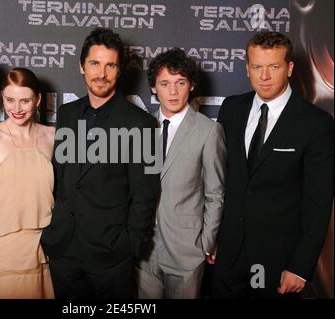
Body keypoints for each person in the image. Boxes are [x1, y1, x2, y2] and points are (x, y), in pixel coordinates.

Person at [212, 31, 334, 298]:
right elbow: (221, 180)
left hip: (278, 263)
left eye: (273, 67)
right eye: (256, 67)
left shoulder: (316, 124)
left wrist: (300, 267)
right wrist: (214, 238)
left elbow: (318, 202)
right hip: (227, 257)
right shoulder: (232, 108)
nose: (264, 76)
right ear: (247, 69)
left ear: (289, 68)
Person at [40, 27, 160, 299]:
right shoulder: (68, 114)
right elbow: (61, 176)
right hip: (63, 249)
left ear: (120, 71)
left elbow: (146, 194)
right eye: (94, 63)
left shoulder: (141, 124)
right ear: (81, 66)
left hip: (111, 255)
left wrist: (130, 246)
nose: (101, 73)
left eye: (110, 65)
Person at [135, 48, 226, 299]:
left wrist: (205, 243)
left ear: (192, 85)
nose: (173, 92)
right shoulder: (142, 128)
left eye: (180, 83)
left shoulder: (209, 131)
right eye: (165, 83)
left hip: (187, 249)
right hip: (145, 249)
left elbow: (215, 193)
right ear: (154, 88)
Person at [0, 68, 55, 299]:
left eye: (25, 101)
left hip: (41, 242)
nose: (16, 108)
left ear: (38, 100)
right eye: (10, 100)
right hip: (0, 244)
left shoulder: (53, 136)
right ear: (2, 98)